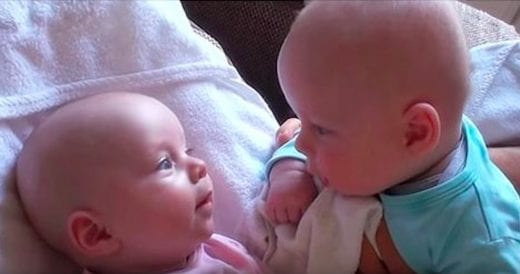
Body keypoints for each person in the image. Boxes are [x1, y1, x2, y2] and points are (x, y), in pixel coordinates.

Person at [264, 1, 520, 273]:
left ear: (415, 133)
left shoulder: (480, 240)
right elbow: (302, 138)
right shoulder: (393, 144)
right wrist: (290, 170)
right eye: (301, 118)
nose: (302, 143)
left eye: (321, 130)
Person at [16, 92, 263, 274]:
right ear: (98, 234)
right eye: (165, 163)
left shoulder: (216, 251)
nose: (199, 166)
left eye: (187, 150)